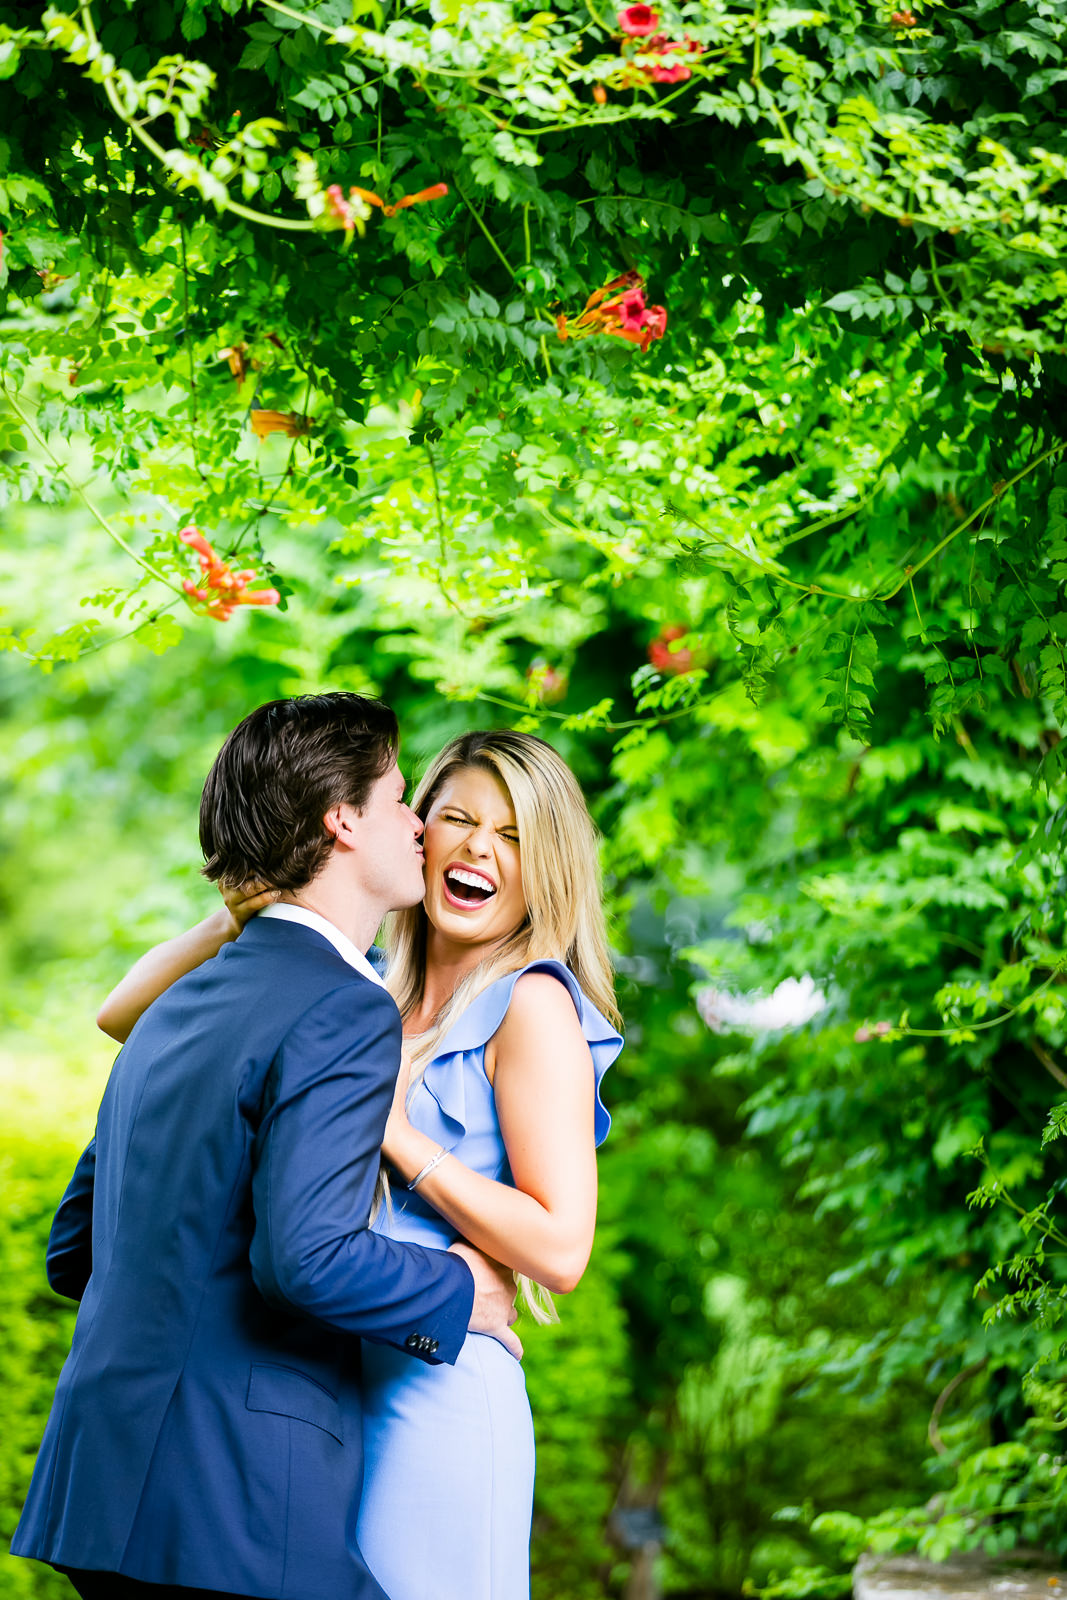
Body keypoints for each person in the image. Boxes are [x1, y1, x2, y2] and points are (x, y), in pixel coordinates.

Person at [88, 727, 623, 1600]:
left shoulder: (531, 1007)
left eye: (514, 834)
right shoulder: (360, 985)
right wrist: (259, 899)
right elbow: (123, 1015)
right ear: (417, 833)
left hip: (433, 1391)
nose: (479, 847)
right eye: (455, 816)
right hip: (322, 1392)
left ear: (547, 866)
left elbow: (561, 1249)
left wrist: (398, 1136)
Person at [11, 694, 520, 1600]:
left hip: (102, 1492)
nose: (416, 826)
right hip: (236, 1503)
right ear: (343, 821)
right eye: (400, 799)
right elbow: (306, 1260)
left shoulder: (172, 1008)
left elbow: (77, 1249)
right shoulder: (344, 1004)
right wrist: (460, 1290)